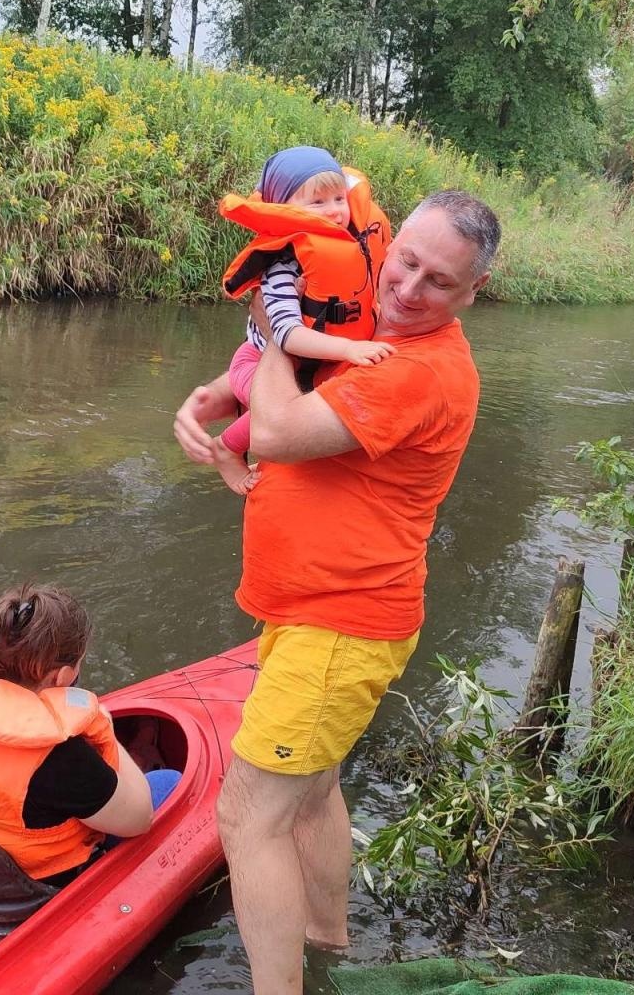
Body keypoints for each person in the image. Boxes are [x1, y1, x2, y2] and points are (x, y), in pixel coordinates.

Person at [173, 189, 501, 995]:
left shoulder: (422, 371)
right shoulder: (372, 327)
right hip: (308, 611)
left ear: (472, 294)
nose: (409, 287)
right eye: (407, 260)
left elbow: (282, 431)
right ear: (390, 243)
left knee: (248, 818)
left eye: (440, 282)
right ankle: (328, 945)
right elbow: (289, 377)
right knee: (314, 793)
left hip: (340, 625)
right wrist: (223, 386)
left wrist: (274, 321)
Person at [0, 582, 179, 888]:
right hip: (23, 895)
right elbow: (139, 819)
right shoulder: (61, 757)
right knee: (171, 782)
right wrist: (103, 723)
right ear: (63, 676)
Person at [211, 145, 395, 494]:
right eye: (317, 203)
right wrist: (349, 349)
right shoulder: (284, 263)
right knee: (277, 412)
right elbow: (285, 333)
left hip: (305, 365)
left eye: (339, 199)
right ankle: (225, 448)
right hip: (253, 363)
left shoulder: (356, 243)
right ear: (284, 209)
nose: (334, 211)